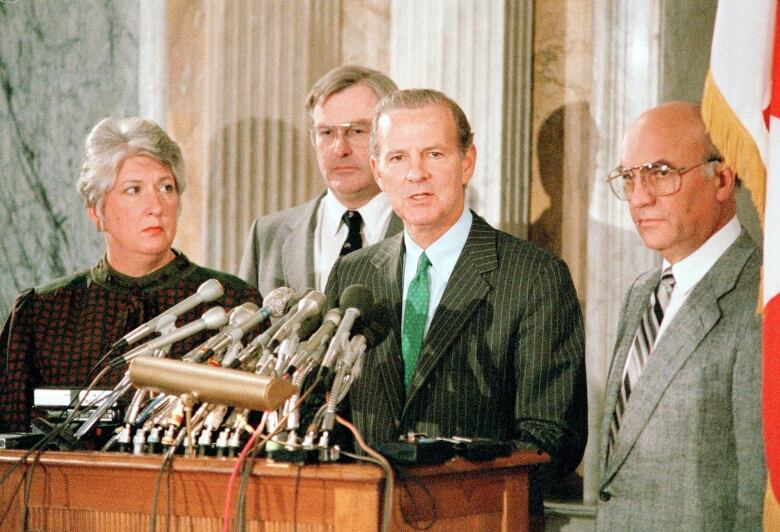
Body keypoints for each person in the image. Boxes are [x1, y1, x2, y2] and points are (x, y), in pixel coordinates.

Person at [325, 89, 587, 507]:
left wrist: (458, 502)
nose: (416, 174)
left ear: (467, 161)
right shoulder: (353, 273)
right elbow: (331, 412)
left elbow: (552, 439)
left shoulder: (534, 276)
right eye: (398, 158)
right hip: (364, 514)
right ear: (377, 171)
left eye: (433, 155)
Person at [0, 117, 263, 433]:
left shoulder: (231, 303)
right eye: (133, 190)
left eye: (166, 187)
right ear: (96, 211)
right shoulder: (43, 312)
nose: (156, 206)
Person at [596, 102, 765, 530]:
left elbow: (758, 496)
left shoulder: (760, 301)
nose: (639, 197)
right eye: (630, 177)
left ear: (722, 179)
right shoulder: (642, 293)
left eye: (661, 173)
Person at [238, 65, 403, 295]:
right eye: (326, 133)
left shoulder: (425, 229)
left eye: (357, 131)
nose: (340, 149)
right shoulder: (268, 236)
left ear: (392, 135)